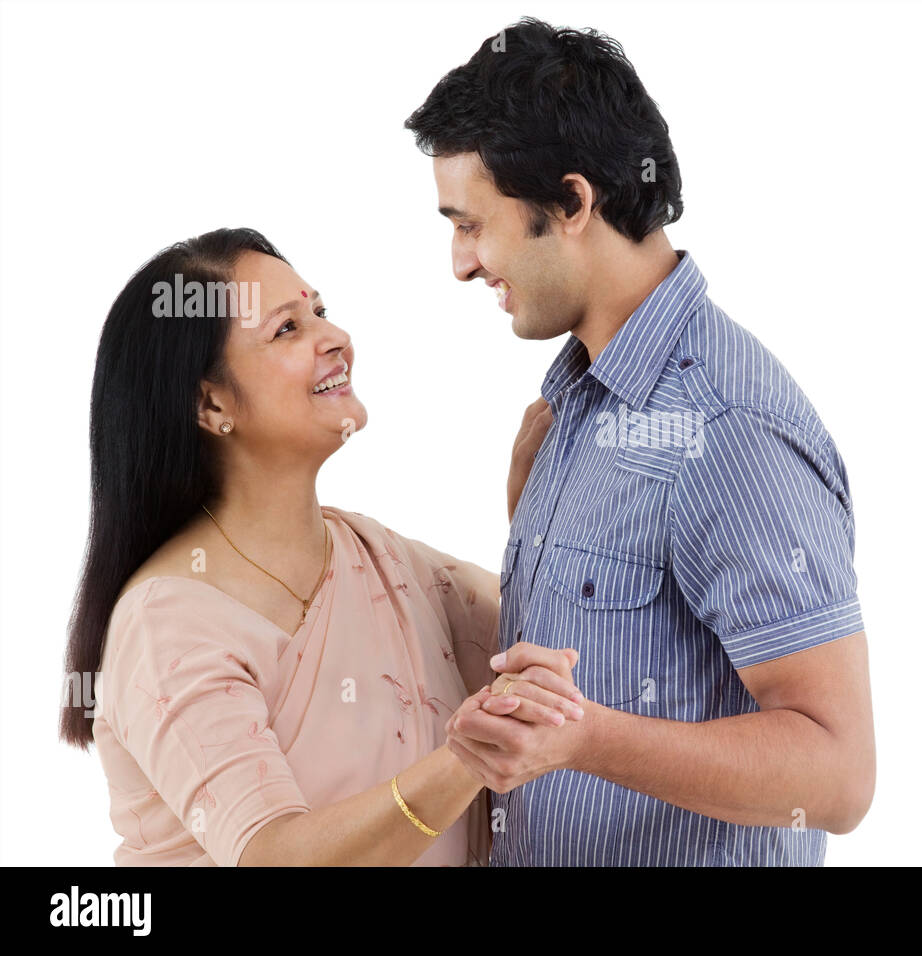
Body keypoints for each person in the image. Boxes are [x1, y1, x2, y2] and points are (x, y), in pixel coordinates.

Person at [405, 18, 877, 867]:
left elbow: (838, 776)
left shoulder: (728, 428)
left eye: (471, 223)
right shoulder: (577, 401)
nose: (460, 263)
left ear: (574, 202)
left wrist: (583, 739)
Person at [59, 227, 581, 865]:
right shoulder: (168, 621)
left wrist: (534, 524)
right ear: (211, 401)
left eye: (321, 313)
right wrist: (468, 759)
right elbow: (272, 855)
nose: (335, 339)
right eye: (287, 329)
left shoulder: (379, 557)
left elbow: (562, 660)